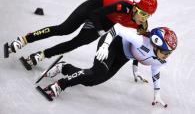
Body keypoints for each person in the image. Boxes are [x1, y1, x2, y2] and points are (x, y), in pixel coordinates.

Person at [5, 0, 157, 81]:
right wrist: (100, 32)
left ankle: (41, 55)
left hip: (104, 23)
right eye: (142, 14)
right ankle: (24, 40)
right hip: (93, 8)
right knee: (64, 29)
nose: (144, 18)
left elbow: (135, 46)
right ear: (134, 8)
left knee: (75, 43)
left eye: (148, 15)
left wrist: (136, 70)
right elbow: (94, 14)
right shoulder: (123, 7)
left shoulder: (141, 26)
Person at [38, 24, 177, 107]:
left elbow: (155, 70)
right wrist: (104, 46)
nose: (167, 55)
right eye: (165, 51)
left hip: (123, 56)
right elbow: (117, 27)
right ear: (154, 44)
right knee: (97, 72)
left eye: (169, 52)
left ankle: (63, 67)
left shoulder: (161, 59)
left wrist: (157, 93)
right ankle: (59, 85)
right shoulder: (140, 41)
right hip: (111, 42)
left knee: (92, 81)